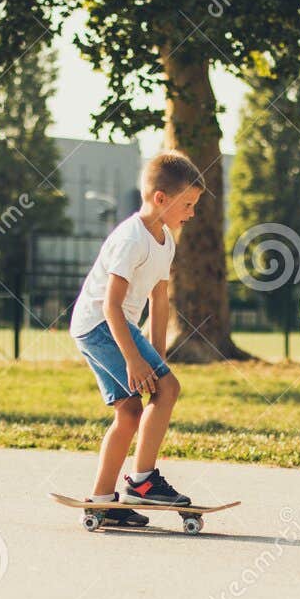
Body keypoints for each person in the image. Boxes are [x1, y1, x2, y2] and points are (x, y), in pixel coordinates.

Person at [68, 151, 203, 527]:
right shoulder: (132, 238)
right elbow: (112, 306)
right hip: (101, 324)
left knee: (130, 413)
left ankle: (101, 501)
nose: (191, 214)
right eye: (187, 204)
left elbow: (160, 303)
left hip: (106, 326)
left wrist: (157, 359)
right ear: (161, 198)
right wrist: (135, 361)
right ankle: (142, 482)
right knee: (169, 389)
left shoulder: (166, 241)